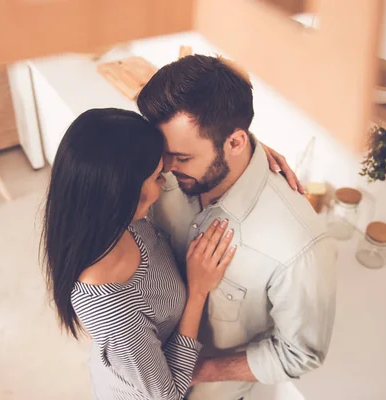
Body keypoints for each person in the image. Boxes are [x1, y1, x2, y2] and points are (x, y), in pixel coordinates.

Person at [42, 108, 297, 399]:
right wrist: (198, 290)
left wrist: (243, 154)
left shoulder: (105, 222)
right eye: (156, 178)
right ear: (120, 195)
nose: (166, 181)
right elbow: (168, 394)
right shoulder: (114, 310)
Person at [136, 54, 337, 400]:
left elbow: (300, 353)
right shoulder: (158, 176)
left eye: (182, 158)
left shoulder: (300, 247)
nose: (165, 168)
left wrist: (194, 370)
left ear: (235, 142)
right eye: (163, 153)